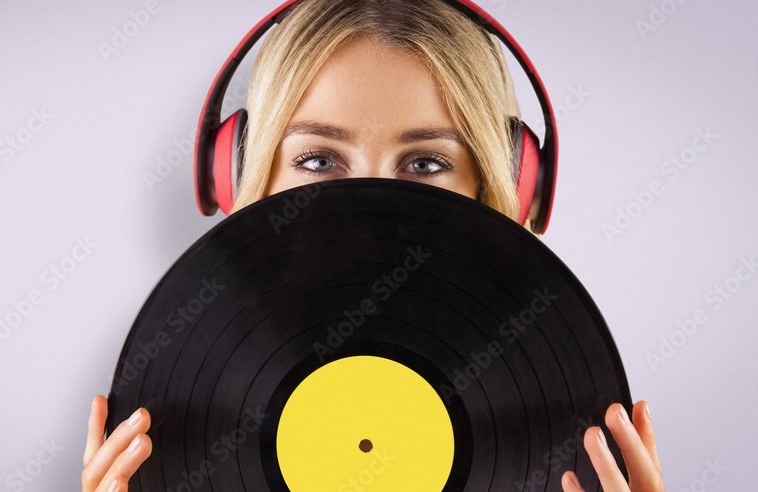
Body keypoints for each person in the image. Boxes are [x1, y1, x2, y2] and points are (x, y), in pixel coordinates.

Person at [82, 0, 664, 490]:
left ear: (504, 184)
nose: (372, 200)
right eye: (318, 160)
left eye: (425, 163)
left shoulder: (550, 407)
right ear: (243, 176)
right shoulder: (194, 404)